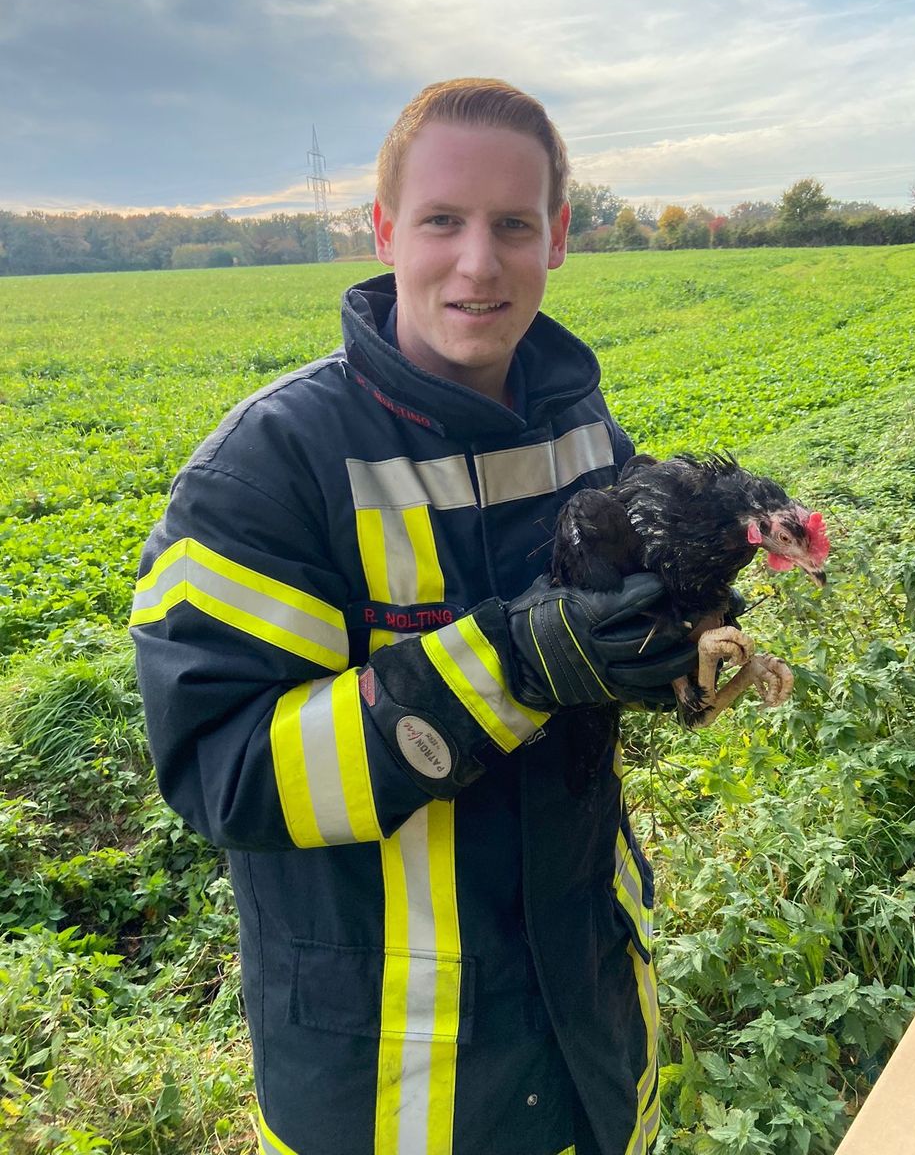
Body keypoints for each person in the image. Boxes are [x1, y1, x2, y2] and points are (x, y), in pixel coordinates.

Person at [130, 78, 697, 1155]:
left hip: (587, 1021)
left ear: (559, 238)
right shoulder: (271, 469)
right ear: (385, 230)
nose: (478, 265)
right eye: (443, 221)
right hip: (392, 1082)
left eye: (512, 226)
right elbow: (226, 770)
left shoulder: (578, 421)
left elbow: (614, 632)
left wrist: (676, 646)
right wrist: (514, 668)